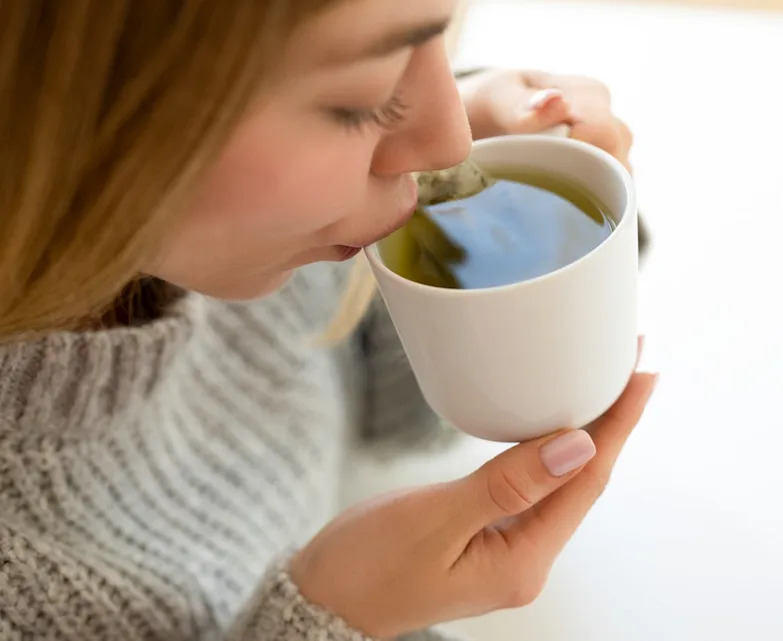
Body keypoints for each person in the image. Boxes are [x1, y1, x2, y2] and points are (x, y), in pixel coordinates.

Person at [0, 1, 656, 640]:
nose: (450, 136)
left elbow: (388, 403)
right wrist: (333, 623)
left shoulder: (232, 249)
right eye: (360, 99)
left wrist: (476, 208)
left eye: (431, 41)